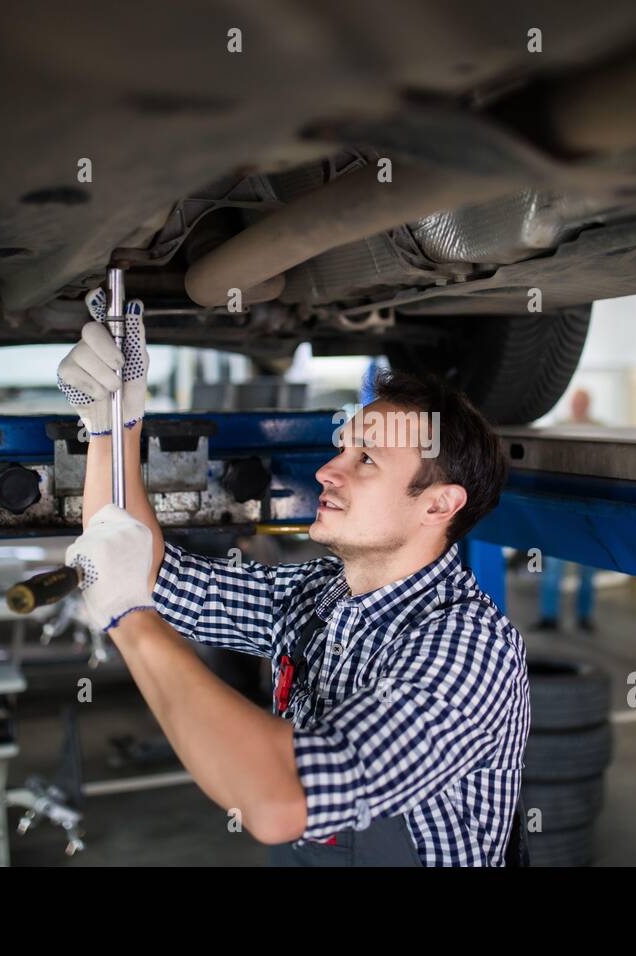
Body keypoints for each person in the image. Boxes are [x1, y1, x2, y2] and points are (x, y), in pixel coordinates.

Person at [56, 290, 531, 866]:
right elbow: (147, 570)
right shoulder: (321, 594)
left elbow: (283, 801)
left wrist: (131, 623)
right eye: (343, 449)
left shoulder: (468, 647)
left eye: (367, 460)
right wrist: (114, 424)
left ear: (437, 505)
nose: (327, 470)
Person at [537, 387, 603, 632]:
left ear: (588, 405)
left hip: (588, 512)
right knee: (554, 568)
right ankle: (549, 617)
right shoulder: (560, 429)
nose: (578, 406)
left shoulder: (600, 430)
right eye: (575, 402)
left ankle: (584, 617)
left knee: (587, 571)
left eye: (582, 402)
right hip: (561, 512)